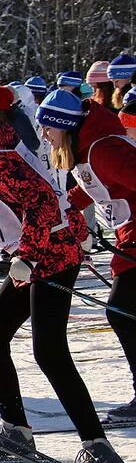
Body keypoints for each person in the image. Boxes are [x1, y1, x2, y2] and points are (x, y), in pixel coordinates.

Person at [0, 95, 128, 463]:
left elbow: (41, 203)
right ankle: (16, 433)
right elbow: (47, 192)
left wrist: (32, 254)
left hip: (50, 258)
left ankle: (99, 448)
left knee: (49, 351)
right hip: (40, 255)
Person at [36, 90, 136, 422]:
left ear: (64, 125)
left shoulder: (103, 148)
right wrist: (65, 206)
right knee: (123, 313)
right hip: (128, 237)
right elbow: (96, 185)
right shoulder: (87, 149)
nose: (45, 135)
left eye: (48, 127)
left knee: (122, 312)